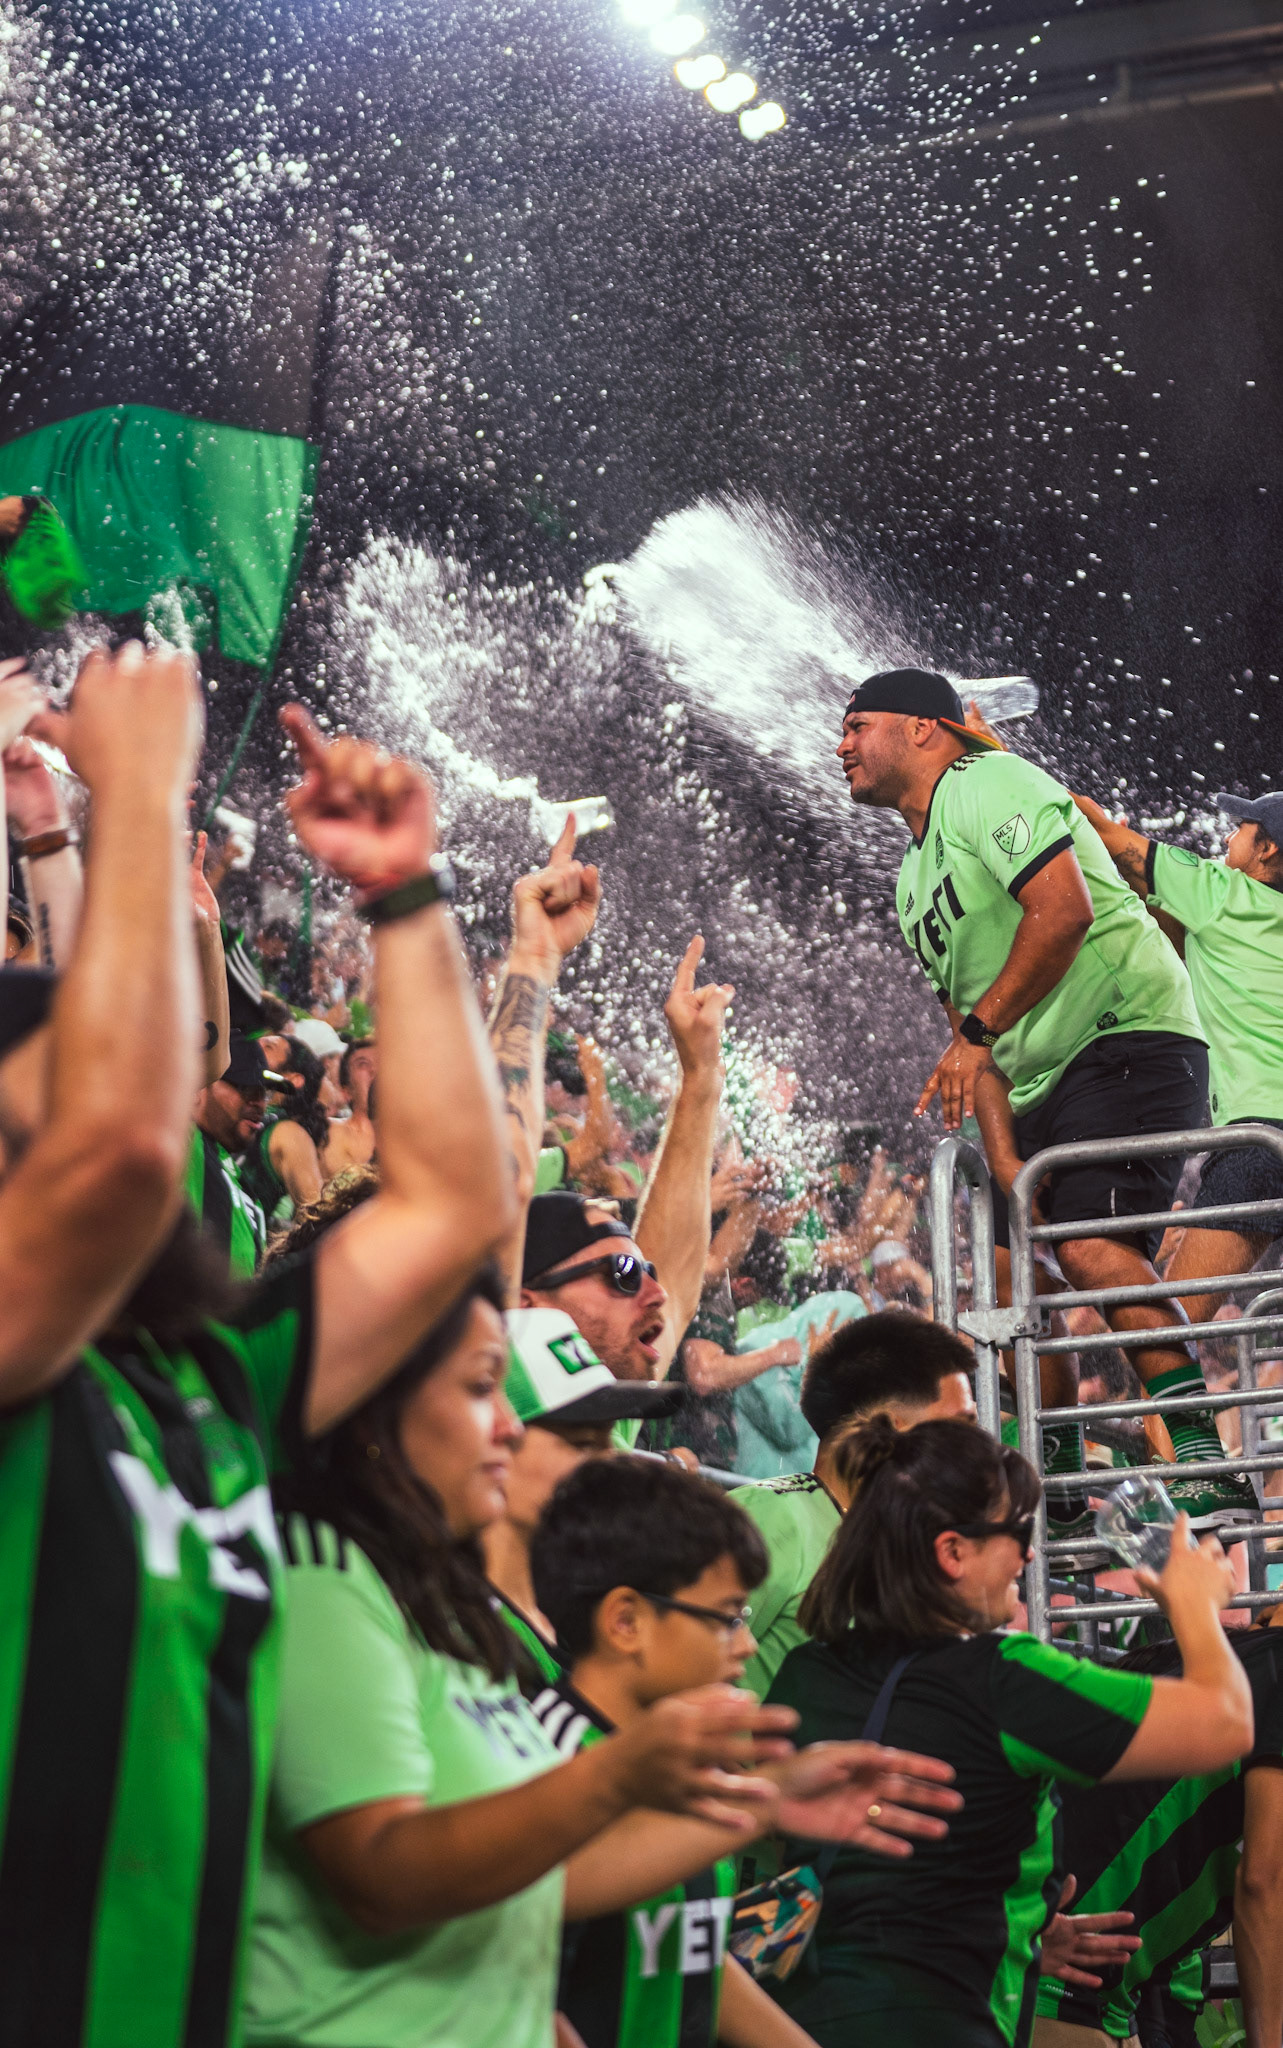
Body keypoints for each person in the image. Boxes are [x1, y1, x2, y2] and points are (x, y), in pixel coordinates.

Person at [0, 673, 519, 2048]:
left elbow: (457, 1205)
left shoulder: (200, 1382)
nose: (143, 1087)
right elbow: (115, 1156)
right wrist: (140, 805)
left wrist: (404, 898)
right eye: (62, 1073)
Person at [242, 1265, 850, 2048]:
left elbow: (539, 1894)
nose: (614, 1462)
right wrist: (620, 1773)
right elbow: (382, 1877)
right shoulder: (323, 1574)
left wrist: (754, 1807)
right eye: (577, 1440)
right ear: (376, 1411)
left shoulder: (457, 1616)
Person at [836, 667, 1248, 1530]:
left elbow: (1059, 914)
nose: (840, 747)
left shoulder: (990, 780)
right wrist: (1006, 1157)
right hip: (1031, 1077)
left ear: (923, 730)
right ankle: (1058, 1471)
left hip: (1127, 1035)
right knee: (1002, 1273)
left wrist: (978, 1034)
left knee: (1093, 1249)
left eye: (857, 725)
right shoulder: (911, 883)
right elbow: (968, 1047)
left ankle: (1202, 1454)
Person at [764, 1415, 1252, 2048]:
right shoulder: (1002, 1680)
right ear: (953, 1552)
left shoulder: (807, 1672)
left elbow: (873, 1879)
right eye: (1017, 1532)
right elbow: (1227, 1723)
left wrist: (1016, 1934)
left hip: (803, 2017)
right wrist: (1195, 1607)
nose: (1028, 1553)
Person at [529, 1455, 965, 2048]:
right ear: (626, 1622)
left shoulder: (690, 1767)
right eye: (727, 1618)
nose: (749, 1644)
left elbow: (694, 1958)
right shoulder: (541, 1760)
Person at [1072, 787, 1283, 1339]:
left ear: (1267, 851)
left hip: (1261, 1144)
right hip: (1266, 1147)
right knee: (1169, 1330)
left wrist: (992, 757)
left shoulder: (1224, 892)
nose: (1228, 835)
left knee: (1165, 1341)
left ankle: (1171, 1425)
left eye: (1242, 828)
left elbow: (1107, 836)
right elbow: (1178, 936)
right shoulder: (1245, 919)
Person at [1032, 1608, 1283, 2048]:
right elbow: (1264, 1883)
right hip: (1058, 1971)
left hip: (1098, 1986)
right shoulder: (1272, 1672)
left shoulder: (1242, 1664)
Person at [520, 935, 733, 1409]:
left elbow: (677, 1281)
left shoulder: (608, 1404)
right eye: (623, 1273)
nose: (658, 1293)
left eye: (645, 1271)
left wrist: (700, 1078)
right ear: (525, 1306)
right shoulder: (467, 1434)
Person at [732, 1312, 978, 1698]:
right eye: (962, 1425)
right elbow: (670, 1670)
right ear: (889, 1426)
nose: (975, 1447)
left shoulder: (901, 1545)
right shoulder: (772, 1516)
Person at [483, 1304, 683, 1679]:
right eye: (582, 1444)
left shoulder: (583, 1604)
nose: (609, 1463)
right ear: (494, 1441)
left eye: (609, 1440)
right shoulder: (456, 1629)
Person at [188, 1028, 277, 1273]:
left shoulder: (229, 1167)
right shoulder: (185, 1143)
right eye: (246, 1089)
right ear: (199, 1084)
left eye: (264, 1092)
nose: (260, 1103)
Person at [240, 1032, 328, 1221]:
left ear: (292, 1079)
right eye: (259, 1041)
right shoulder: (229, 1098)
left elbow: (317, 1220)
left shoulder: (289, 1134)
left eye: (268, 1046)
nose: (255, 1045)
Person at [320, 1034, 378, 1178]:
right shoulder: (328, 1132)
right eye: (363, 1064)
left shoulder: (414, 1139)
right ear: (346, 1092)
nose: (375, 1070)